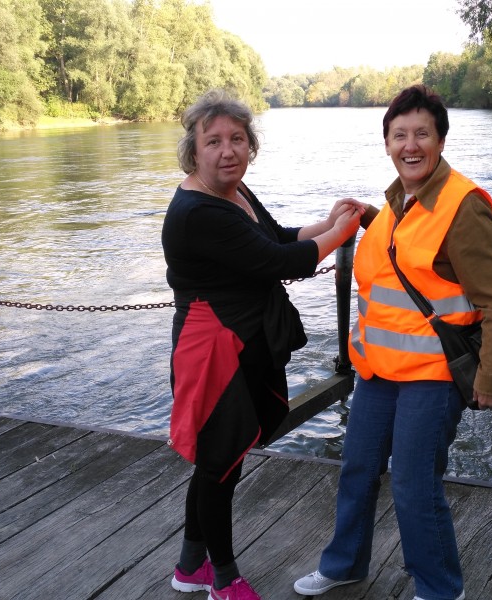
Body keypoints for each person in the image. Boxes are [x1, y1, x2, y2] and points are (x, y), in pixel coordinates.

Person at [293, 85, 492, 600]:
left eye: (422, 134)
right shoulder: (398, 201)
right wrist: (369, 217)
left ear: (440, 140)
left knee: (414, 484)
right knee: (357, 469)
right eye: (400, 135)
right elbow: (412, 256)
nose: (410, 145)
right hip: (378, 371)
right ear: (387, 144)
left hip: (433, 375)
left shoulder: (463, 208)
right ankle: (345, 564)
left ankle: (439, 589)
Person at [162, 89, 363, 600]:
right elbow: (281, 263)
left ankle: (190, 566)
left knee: (222, 459)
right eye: (213, 141)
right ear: (194, 151)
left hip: (242, 337)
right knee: (219, 463)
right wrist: (341, 233)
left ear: (250, 144)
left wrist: (329, 223)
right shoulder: (198, 211)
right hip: (212, 346)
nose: (227, 150)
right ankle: (224, 580)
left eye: (237, 139)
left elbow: (275, 238)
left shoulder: (235, 192)